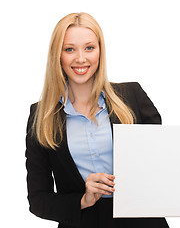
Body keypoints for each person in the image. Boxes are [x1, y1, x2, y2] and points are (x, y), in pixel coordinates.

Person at [25, 12, 169, 228]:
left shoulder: (133, 97)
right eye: (69, 49)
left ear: (100, 52)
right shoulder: (41, 117)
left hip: (142, 221)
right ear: (58, 55)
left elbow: (164, 162)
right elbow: (38, 200)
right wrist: (83, 200)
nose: (80, 58)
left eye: (89, 48)